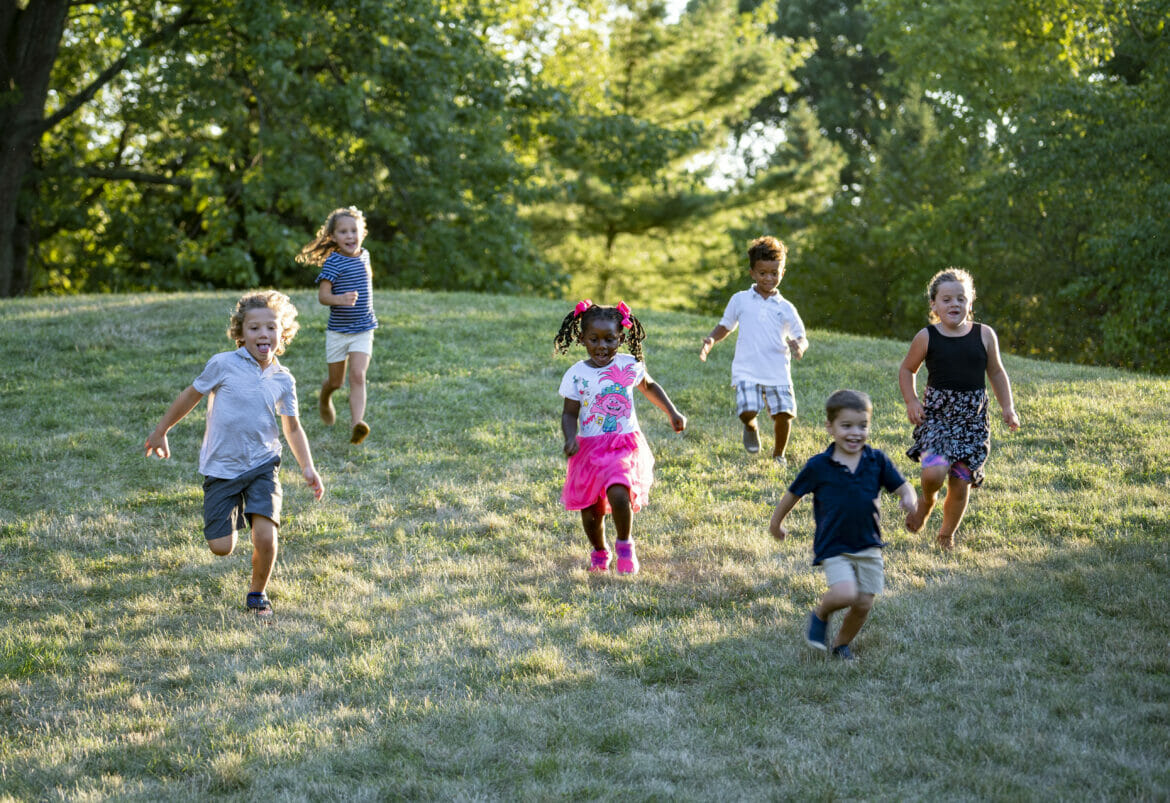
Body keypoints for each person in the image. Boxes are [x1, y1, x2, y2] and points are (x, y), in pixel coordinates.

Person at [145, 291, 325, 618]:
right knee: (221, 548)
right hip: (222, 467)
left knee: (266, 537)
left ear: (282, 332)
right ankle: (239, 512)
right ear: (240, 333)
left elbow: (292, 427)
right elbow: (191, 395)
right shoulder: (223, 364)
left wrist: (307, 467)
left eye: (271, 327)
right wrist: (161, 430)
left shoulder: (283, 379)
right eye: (254, 328)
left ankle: (257, 594)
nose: (263, 334)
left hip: (263, 464)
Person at [769, 390, 916, 661]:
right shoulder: (819, 466)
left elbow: (903, 485)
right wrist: (776, 523)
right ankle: (821, 614)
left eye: (862, 426)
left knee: (864, 603)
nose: (855, 433)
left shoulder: (876, 461)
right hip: (834, 544)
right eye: (846, 426)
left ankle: (841, 645)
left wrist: (909, 498)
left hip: (869, 544)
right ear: (830, 427)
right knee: (846, 593)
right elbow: (792, 494)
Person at [554, 300, 687, 575]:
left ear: (621, 339)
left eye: (609, 339)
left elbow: (649, 387)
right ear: (582, 338)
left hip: (623, 444)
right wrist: (569, 438)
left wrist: (672, 411)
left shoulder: (629, 364)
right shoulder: (576, 374)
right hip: (589, 449)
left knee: (619, 491)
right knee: (591, 509)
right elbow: (569, 413)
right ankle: (599, 551)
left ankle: (625, 545)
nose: (602, 346)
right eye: (594, 339)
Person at [898, 268, 1020, 550]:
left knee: (961, 482)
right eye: (947, 299)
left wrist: (1008, 408)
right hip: (938, 419)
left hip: (972, 422)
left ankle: (946, 534)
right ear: (934, 305)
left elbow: (997, 372)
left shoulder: (984, 335)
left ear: (970, 302)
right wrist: (912, 400)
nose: (954, 304)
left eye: (961, 299)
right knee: (933, 474)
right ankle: (927, 501)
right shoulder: (927, 336)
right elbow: (907, 369)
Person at [699, 235, 808, 468]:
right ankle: (750, 426)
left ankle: (779, 455)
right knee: (747, 410)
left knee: (784, 414)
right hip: (747, 369)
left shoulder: (786, 308)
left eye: (774, 273)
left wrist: (799, 346)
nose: (769, 278)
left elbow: (801, 335)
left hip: (777, 371)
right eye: (762, 273)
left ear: (782, 273)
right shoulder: (740, 300)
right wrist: (711, 340)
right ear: (752, 273)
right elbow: (725, 325)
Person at [296, 206, 379, 444]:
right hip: (338, 332)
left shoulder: (365, 255)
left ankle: (357, 425)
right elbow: (323, 296)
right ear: (333, 236)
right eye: (343, 232)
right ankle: (325, 398)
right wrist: (340, 299)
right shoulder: (333, 262)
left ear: (363, 233)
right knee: (336, 382)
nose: (350, 236)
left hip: (363, 329)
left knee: (358, 375)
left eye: (354, 231)